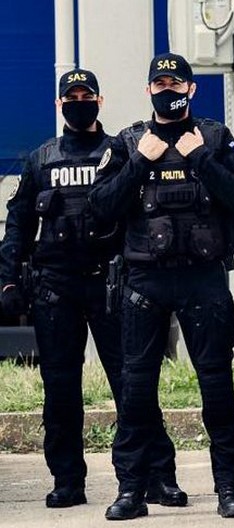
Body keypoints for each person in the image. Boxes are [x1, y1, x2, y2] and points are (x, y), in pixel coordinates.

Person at [0, 68, 183, 509]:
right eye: (72, 97)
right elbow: (19, 222)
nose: (79, 103)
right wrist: (7, 278)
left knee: (132, 386)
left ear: (100, 102)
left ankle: (158, 477)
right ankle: (67, 481)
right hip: (55, 288)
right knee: (60, 389)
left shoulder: (118, 151)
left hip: (110, 284)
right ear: (59, 104)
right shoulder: (41, 159)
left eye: (87, 96)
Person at [88, 53, 234, 520]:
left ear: (191, 89)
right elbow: (101, 206)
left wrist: (201, 157)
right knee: (136, 391)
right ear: (149, 90)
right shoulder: (128, 142)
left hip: (204, 281)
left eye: (176, 83)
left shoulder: (215, 138)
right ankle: (131, 490)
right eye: (160, 84)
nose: (168, 91)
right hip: (145, 282)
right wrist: (139, 164)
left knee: (217, 388)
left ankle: (229, 489)